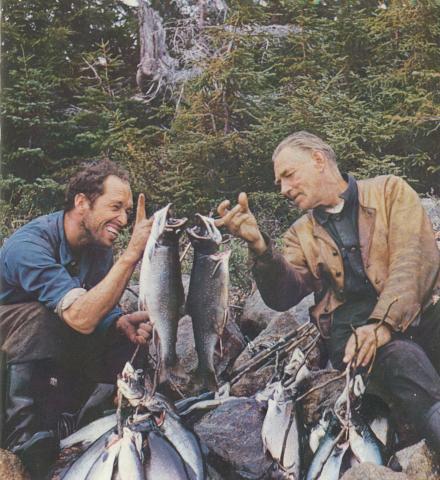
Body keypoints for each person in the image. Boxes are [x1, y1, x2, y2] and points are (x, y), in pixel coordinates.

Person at [217, 131, 440, 454]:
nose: (283, 189)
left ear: (319, 160)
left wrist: (383, 325)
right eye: (280, 182)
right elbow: (283, 296)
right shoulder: (299, 235)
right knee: (406, 363)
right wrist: (261, 248)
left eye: (288, 176)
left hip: (410, 315)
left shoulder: (390, 191)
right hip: (354, 339)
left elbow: (413, 259)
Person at [0, 159, 153, 474]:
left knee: (126, 335)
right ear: (82, 202)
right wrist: (133, 254)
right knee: (40, 317)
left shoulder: (97, 248)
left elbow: (96, 297)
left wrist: (116, 321)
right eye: (115, 207)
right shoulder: (29, 245)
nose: (123, 219)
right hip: (14, 339)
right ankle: (22, 437)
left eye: (126, 210)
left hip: (47, 342)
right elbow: (80, 317)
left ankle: (104, 416)